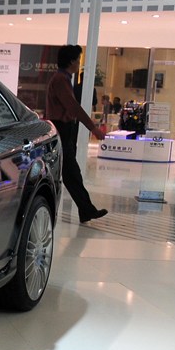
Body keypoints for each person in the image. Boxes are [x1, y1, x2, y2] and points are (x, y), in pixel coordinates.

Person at [45, 44, 107, 223]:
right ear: (71, 61)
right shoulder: (60, 80)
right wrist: (93, 127)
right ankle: (86, 210)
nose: (79, 63)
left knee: (71, 172)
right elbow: (73, 107)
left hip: (64, 129)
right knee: (71, 172)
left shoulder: (63, 78)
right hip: (61, 129)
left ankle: (86, 209)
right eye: (78, 59)